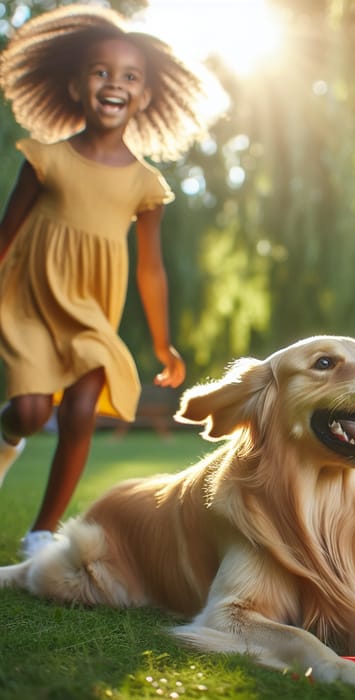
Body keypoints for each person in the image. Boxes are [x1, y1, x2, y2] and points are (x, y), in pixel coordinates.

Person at [0, 5, 219, 558]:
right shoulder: (44, 159)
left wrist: (165, 342)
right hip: (29, 304)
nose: (113, 84)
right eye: (100, 72)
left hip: (92, 315)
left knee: (78, 411)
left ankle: (41, 531)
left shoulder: (145, 184)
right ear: (76, 85)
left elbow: (150, 267)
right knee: (29, 413)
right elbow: (6, 234)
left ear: (144, 97)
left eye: (129, 76)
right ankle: (5, 439)